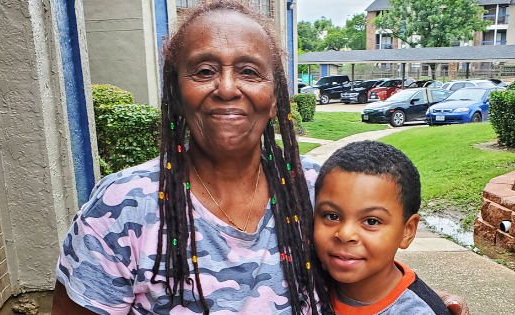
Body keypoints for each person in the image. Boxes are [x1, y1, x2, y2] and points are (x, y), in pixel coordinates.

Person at [52, 2, 468, 314]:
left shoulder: (318, 190)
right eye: (203, 71)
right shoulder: (123, 206)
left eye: (249, 72)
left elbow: (371, 268)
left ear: (274, 99)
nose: (228, 88)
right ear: (177, 94)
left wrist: (426, 303)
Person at [313, 141, 452, 314]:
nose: (345, 234)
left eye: (371, 221)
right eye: (332, 216)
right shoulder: (304, 286)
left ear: (407, 231)